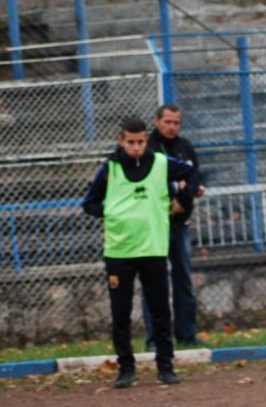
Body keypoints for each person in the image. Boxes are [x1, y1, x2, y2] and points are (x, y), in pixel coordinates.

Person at [82, 117, 201, 389]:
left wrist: (184, 200)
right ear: (121, 141)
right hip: (119, 251)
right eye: (130, 142)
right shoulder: (110, 168)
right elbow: (89, 203)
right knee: (120, 313)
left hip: (153, 248)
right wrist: (112, 213)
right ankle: (126, 369)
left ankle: (165, 367)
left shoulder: (161, 163)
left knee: (160, 310)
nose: (136, 147)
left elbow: (192, 173)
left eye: (140, 142)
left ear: (146, 140)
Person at [142, 103, 204, 351]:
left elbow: (195, 178)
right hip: (153, 226)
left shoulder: (185, 147)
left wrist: (183, 198)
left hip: (180, 225)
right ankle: (155, 340)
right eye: (167, 122)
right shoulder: (147, 147)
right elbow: (152, 181)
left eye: (176, 122)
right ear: (157, 121)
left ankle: (187, 335)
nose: (172, 127)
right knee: (153, 283)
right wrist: (176, 185)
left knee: (183, 282)